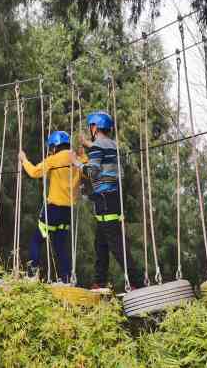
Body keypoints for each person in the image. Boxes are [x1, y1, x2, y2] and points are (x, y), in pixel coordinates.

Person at [71, 111, 143, 292]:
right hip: (114, 197)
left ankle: (137, 282)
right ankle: (100, 281)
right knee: (101, 242)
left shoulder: (97, 147)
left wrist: (76, 163)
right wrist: (88, 145)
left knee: (116, 243)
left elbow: (93, 172)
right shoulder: (113, 145)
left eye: (91, 127)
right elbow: (102, 155)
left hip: (104, 198)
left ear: (94, 127)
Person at [20, 130, 85, 284]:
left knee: (37, 239)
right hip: (67, 211)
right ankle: (66, 278)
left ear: (55, 146)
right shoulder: (78, 159)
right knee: (61, 246)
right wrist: (83, 151)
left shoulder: (53, 159)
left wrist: (24, 160)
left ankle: (32, 273)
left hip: (53, 209)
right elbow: (87, 167)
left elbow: (35, 172)